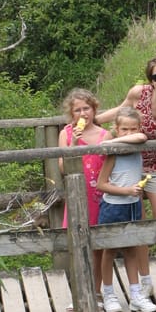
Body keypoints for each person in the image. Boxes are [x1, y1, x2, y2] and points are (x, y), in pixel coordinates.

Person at [98, 56, 156, 306]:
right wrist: (92, 121)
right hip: (130, 166)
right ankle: (145, 279)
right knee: (137, 227)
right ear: (149, 79)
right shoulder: (138, 93)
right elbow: (120, 112)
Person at [96, 106, 156, 312]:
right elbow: (101, 184)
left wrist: (112, 140)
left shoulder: (137, 145)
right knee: (110, 250)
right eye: (124, 129)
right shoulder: (113, 155)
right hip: (113, 206)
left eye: (133, 129)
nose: (129, 133)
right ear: (116, 129)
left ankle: (135, 295)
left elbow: (140, 137)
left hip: (133, 205)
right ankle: (109, 294)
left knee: (132, 249)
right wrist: (125, 191)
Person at [58, 88, 111, 298]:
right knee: (77, 246)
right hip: (77, 194)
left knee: (98, 247)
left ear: (94, 109)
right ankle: (79, 294)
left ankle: (97, 292)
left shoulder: (105, 135)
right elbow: (63, 167)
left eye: (86, 108)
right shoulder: (66, 133)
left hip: (99, 195)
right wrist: (73, 143)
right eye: (77, 110)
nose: (83, 114)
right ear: (72, 114)